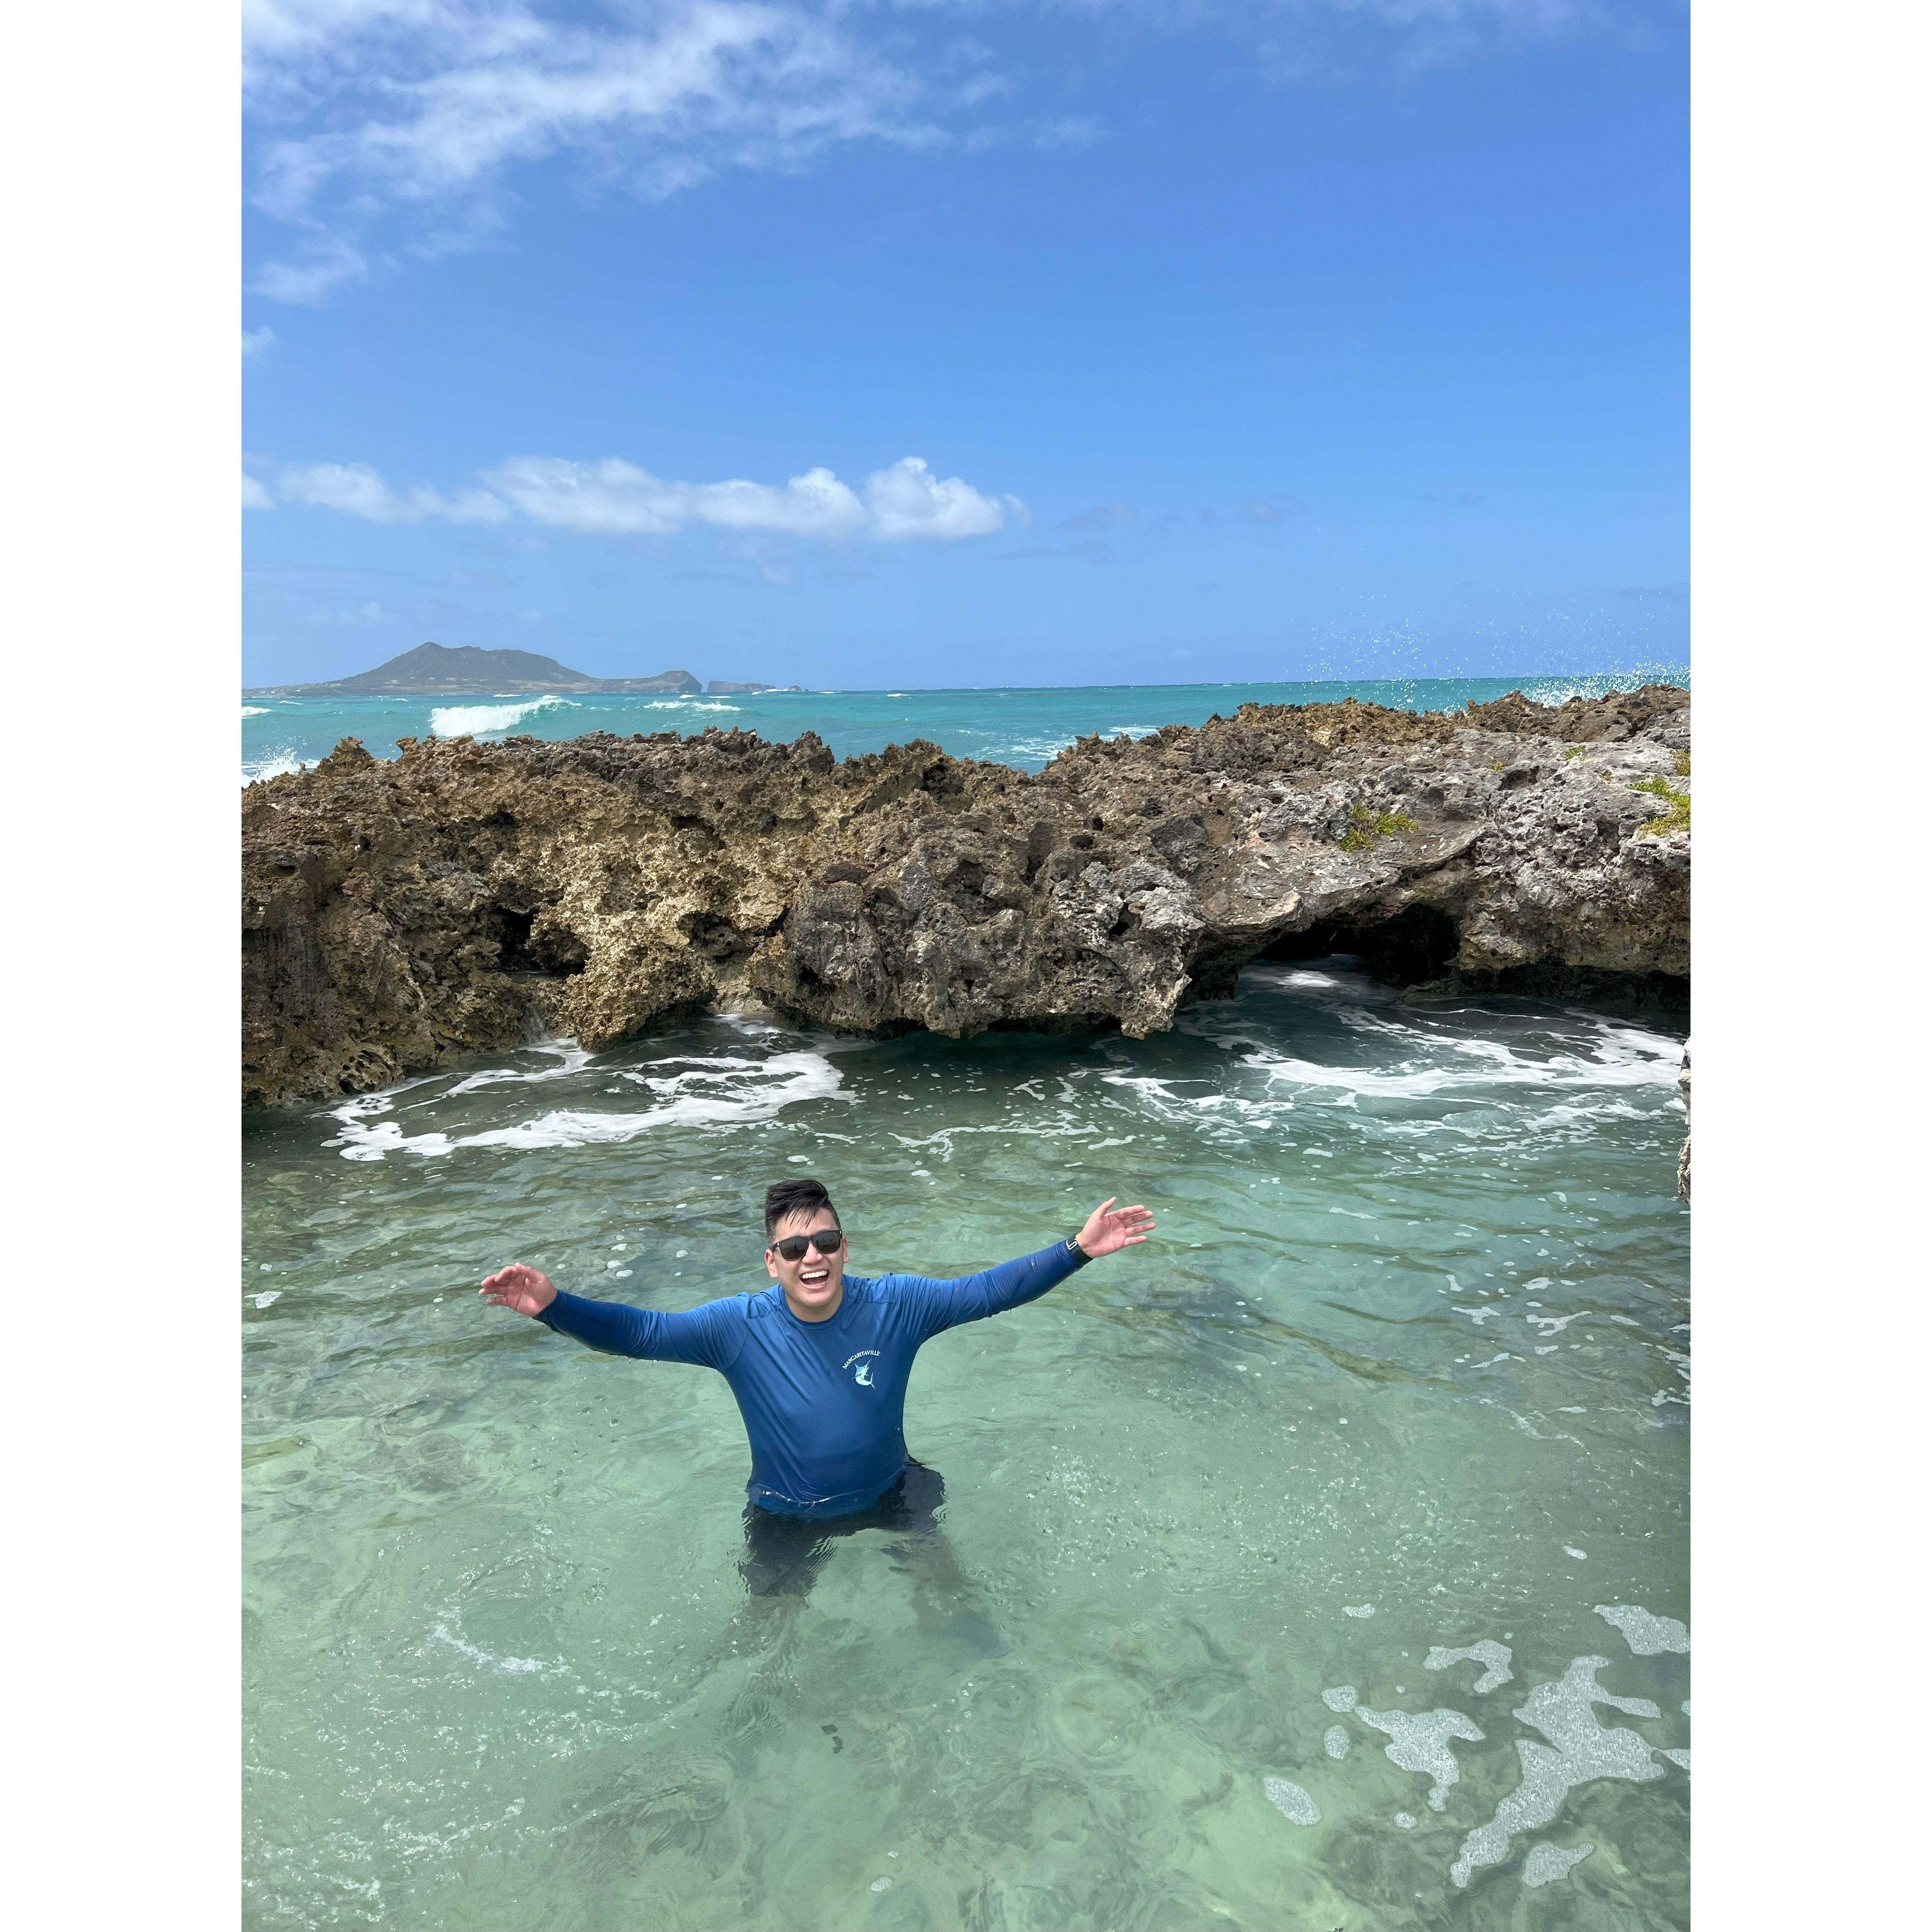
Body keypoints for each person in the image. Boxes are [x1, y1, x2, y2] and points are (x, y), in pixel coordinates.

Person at [479, 1178, 1155, 1599]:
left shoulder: (898, 1305)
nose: (814, 1258)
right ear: (771, 1262)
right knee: (765, 1643)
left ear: (845, 1248)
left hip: (893, 1490)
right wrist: (555, 1305)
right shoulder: (734, 1328)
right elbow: (643, 1333)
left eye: (826, 1242)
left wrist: (1076, 1250)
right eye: (796, 1249)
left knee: (953, 1604)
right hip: (787, 1512)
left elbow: (985, 1292)